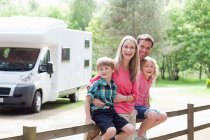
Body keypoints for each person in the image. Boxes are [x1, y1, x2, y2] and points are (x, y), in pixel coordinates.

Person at [88, 35, 140, 140]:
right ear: (121, 49)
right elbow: (91, 84)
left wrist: (124, 98)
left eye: (132, 47)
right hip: (116, 112)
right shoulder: (113, 66)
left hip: (130, 112)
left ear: (135, 51)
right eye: (126, 47)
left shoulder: (134, 70)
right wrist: (93, 99)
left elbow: (135, 95)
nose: (128, 50)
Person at [85, 56, 135, 140]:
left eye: (106, 68)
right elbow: (87, 100)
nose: (103, 71)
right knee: (112, 130)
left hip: (112, 112)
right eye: (101, 69)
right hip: (99, 113)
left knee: (130, 129)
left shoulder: (113, 85)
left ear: (112, 70)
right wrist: (88, 118)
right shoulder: (96, 84)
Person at [135, 34, 167, 140]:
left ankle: (140, 132)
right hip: (134, 106)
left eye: (151, 67)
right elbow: (134, 92)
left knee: (163, 116)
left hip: (142, 107)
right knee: (152, 115)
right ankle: (138, 136)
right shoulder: (139, 75)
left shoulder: (149, 79)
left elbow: (146, 95)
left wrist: (148, 108)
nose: (149, 69)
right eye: (146, 66)